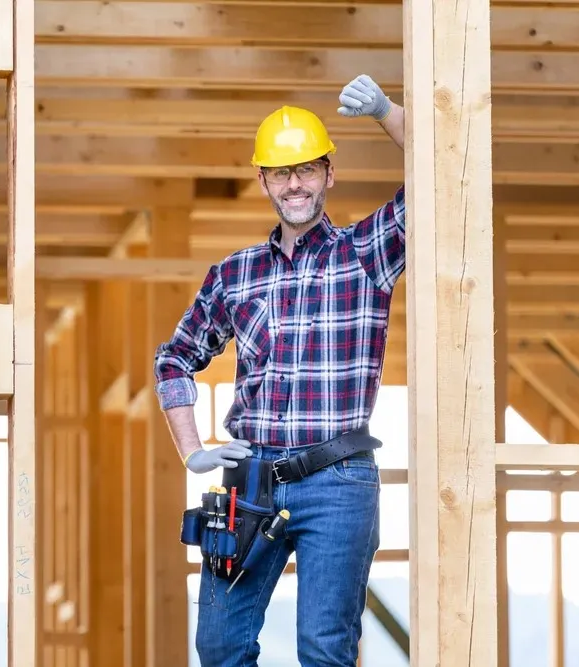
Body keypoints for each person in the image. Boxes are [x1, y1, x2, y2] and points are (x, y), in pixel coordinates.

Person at [152, 74, 406, 666]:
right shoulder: (233, 275)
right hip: (250, 486)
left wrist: (387, 112)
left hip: (338, 480)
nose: (295, 184)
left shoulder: (365, 253)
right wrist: (192, 451)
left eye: (307, 170)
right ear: (263, 180)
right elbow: (175, 358)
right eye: (281, 172)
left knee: (323, 649)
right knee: (219, 647)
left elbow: (444, 168)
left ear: (328, 175)